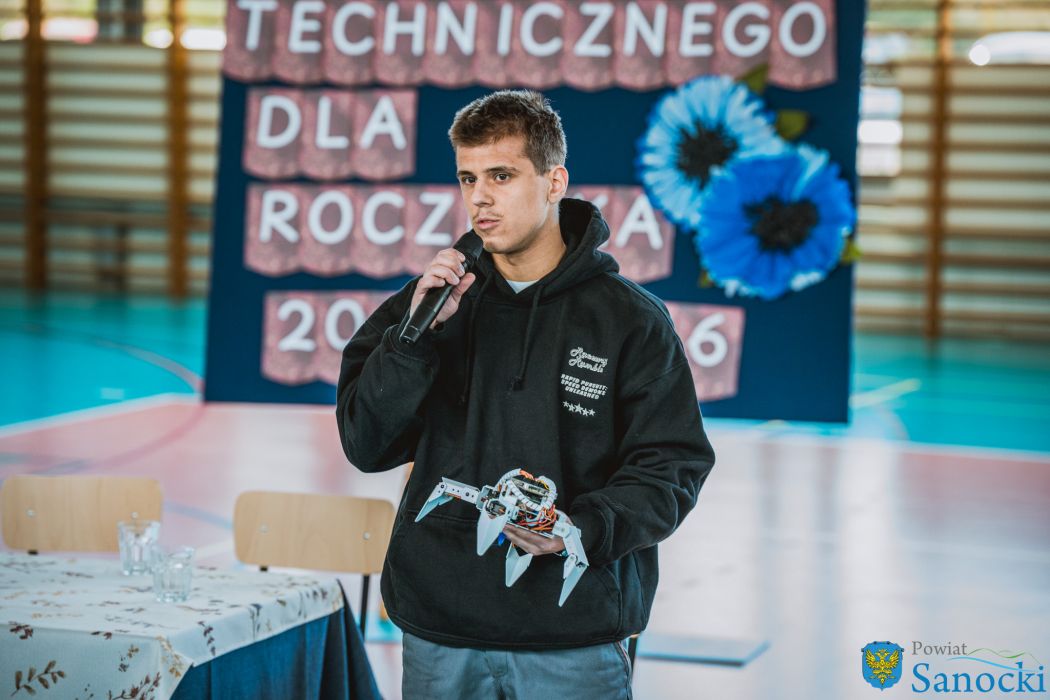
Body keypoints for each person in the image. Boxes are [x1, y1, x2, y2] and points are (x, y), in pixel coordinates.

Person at [336, 89, 715, 698]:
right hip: (440, 624)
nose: (479, 198)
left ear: (554, 181)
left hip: (573, 630)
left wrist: (582, 528)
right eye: (468, 178)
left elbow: (673, 465)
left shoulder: (630, 320)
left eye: (502, 176)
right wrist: (413, 342)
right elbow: (366, 444)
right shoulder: (428, 305)